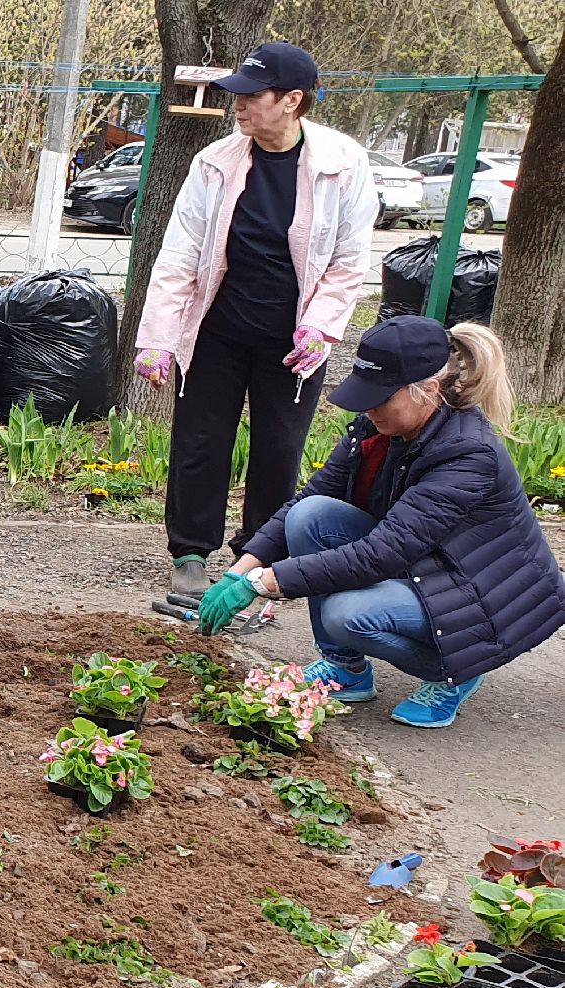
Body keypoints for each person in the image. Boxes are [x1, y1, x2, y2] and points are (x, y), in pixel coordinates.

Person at [196, 317, 565, 728]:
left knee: (347, 614)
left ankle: (455, 671)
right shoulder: (378, 429)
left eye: (380, 398)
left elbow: (382, 553)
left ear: (427, 390)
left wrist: (263, 583)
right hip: (424, 565)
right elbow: (308, 500)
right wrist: (239, 571)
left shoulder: (466, 454)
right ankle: (345, 670)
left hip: (481, 595)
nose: (368, 408)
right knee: (310, 516)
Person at [133, 42, 378, 601]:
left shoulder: (344, 165)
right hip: (217, 329)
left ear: (293, 100)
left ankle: (259, 554)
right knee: (200, 440)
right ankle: (191, 553)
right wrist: (159, 340)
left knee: (279, 447)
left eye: (251, 95)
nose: (237, 105)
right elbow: (179, 254)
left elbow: (348, 261)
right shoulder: (214, 163)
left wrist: (319, 328)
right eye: (235, 94)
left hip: (294, 338)